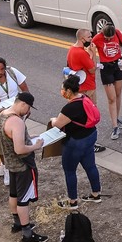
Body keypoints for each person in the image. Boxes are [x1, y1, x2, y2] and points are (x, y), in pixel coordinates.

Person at [0, 92, 47, 242]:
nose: (28, 112)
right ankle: (27, 234)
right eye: (28, 108)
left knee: (13, 194)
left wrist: (27, 136)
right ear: (23, 104)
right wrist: (35, 146)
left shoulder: (3, 114)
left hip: (10, 163)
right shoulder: (16, 122)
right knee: (23, 200)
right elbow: (19, 149)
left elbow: (11, 137)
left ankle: (17, 223)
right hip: (23, 165)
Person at [50, 75, 102, 209]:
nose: (61, 92)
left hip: (75, 143)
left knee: (70, 171)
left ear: (68, 91)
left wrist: (52, 120)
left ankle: (72, 201)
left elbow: (57, 125)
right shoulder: (85, 98)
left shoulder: (69, 109)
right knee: (90, 166)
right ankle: (96, 194)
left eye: (62, 89)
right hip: (90, 137)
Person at [93, 21, 122, 141]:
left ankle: (117, 118)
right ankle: (114, 126)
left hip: (118, 65)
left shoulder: (117, 33)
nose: (108, 40)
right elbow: (90, 49)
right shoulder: (97, 38)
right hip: (106, 68)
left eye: (111, 38)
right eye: (106, 38)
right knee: (111, 98)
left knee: (118, 94)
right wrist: (96, 63)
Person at [66, 29, 100, 108]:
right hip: (87, 87)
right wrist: (94, 53)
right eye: (89, 37)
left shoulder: (72, 49)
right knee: (90, 109)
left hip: (78, 86)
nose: (91, 39)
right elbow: (92, 69)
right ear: (82, 39)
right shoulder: (82, 53)